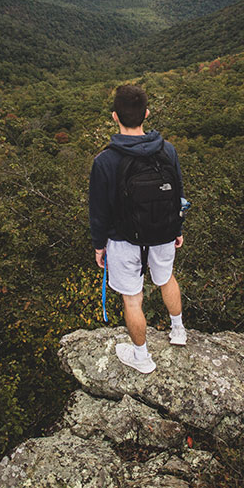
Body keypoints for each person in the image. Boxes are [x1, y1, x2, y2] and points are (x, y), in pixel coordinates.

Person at [89, 84, 186, 374]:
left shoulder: (105, 160)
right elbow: (178, 191)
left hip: (123, 239)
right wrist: (177, 227)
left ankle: (142, 358)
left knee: (133, 298)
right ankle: (178, 331)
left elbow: (99, 209)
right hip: (163, 233)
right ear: (146, 114)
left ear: (115, 116)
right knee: (166, 278)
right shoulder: (166, 150)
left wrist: (99, 244)